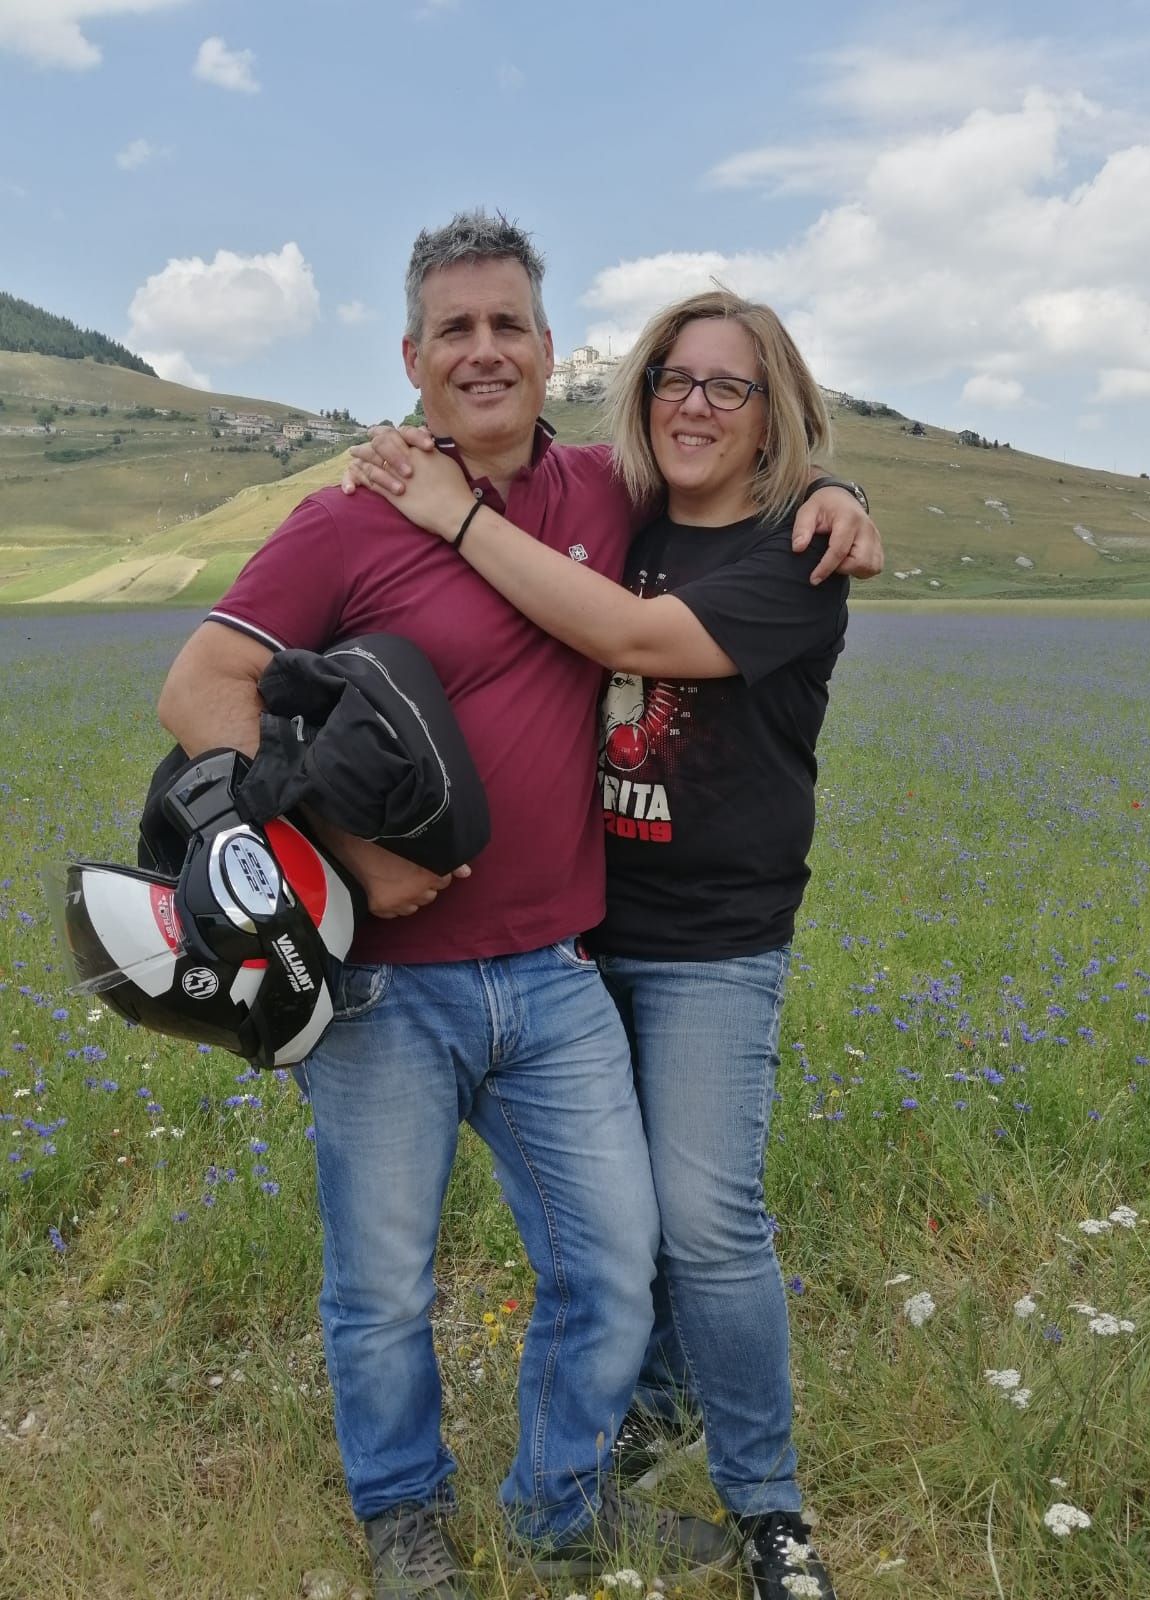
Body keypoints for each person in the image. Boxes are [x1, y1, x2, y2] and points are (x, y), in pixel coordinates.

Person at [157, 212, 881, 1600]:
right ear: (412, 359)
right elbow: (200, 692)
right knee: (383, 1283)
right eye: (455, 329)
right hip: (383, 985)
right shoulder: (344, 520)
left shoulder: (606, 494)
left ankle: (558, 1509)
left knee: (614, 1262)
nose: (483, 351)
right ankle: (402, 1516)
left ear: (551, 350)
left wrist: (839, 489)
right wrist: (342, 862)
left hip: (555, 973)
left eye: (508, 326)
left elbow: (730, 470)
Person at [346, 287, 857, 1600]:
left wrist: (453, 516)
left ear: (773, 414)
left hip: (709, 946)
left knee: (708, 1223)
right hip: (572, 937)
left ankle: (767, 1508)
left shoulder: (795, 557)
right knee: (613, 1228)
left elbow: (628, 638)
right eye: (674, 379)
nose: (695, 404)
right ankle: (639, 1414)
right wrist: (410, 466)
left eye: (728, 387)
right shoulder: (618, 512)